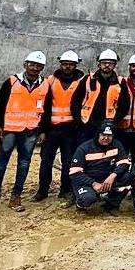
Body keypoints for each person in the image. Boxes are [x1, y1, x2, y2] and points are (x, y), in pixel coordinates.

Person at [0, 51, 49, 212]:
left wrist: (42, 130)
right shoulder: (11, 82)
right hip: (10, 130)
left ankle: (16, 196)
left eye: (38, 66)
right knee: (1, 163)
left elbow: (46, 110)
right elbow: (0, 104)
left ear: (42, 68)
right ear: (25, 64)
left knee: (24, 164)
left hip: (31, 131)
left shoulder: (45, 85)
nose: (35, 68)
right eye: (32, 65)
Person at [34, 50, 84, 204]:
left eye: (71, 64)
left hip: (71, 130)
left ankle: (65, 190)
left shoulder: (83, 81)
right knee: (46, 161)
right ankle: (43, 190)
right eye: (65, 64)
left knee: (68, 162)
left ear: (76, 65)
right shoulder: (50, 80)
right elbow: (44, 106)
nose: (68, 67)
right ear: (60, 64)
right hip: (52, 129)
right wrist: (42, 130)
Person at [68, 120, 132, 215]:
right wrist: (93, 183)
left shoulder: (117, 145)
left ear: (113, 136)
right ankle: (80, 203)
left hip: (106, 179)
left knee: (128, 177)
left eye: (109, 135)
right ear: (98, 134)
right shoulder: (84, 148)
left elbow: (125, 163)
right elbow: (74, 173)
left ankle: (111, 206)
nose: (106, 138)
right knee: (88, 199)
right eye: (103, 135)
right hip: (87, 181)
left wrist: (112, 176)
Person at [70, 49, 127, 144]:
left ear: (115, 65)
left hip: (107, 126)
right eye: (104, 62)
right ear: (99, 64)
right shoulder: (88, 79)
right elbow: (76, 101)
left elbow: (124, 105)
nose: (107, 65)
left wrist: (115, 122)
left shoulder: (120, 82)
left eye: (110, 63)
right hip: (86, 125)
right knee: (82, 152)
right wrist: (78, 121)